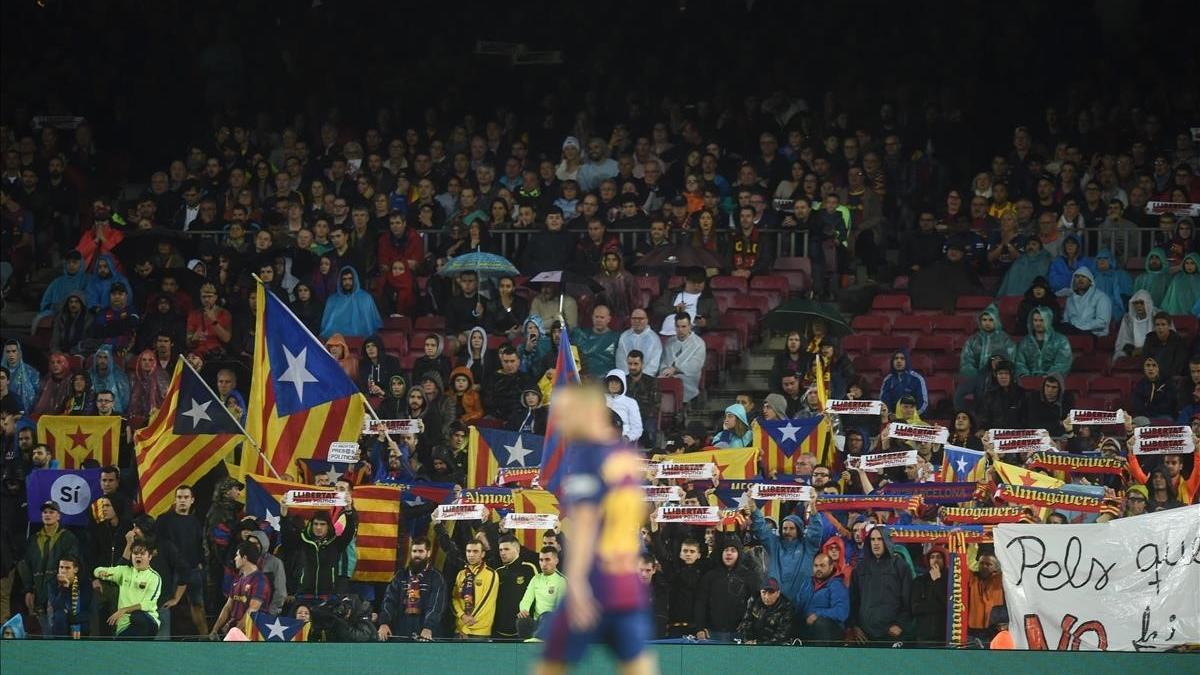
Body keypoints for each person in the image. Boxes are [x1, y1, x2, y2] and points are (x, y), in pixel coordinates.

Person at [536, 385, 652, 674]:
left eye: (563, 413)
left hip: (595, 583)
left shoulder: (586, 456)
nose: (558, 421)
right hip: (627, 582)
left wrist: (575, 584)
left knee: (550, 666)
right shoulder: (624, 457)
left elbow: (585, 526)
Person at [746, 491, 823, 615]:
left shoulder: (808, 546)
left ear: (799, 529)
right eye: (785, 528)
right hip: (776, 603)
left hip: (803, 603)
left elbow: (816, 530)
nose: (787, 531)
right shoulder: (774, 544)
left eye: (792, 528)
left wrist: (813, 506)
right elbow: (761, 528)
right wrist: (753, 506)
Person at [19, 501, 80, 633]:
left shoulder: (67, 537)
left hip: (58, 592)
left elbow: (71, 564)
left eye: (51, 512)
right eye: (45, 512)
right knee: (42, 630)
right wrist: (28, 589)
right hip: (38, 592)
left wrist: (62, 586)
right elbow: (26, 566)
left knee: (57, 628)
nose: (47, 515)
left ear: (59, 516)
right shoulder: (33, 539)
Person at [155, 485, 208, 635]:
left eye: (185, 497)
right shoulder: (163, 520)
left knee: (198, 605)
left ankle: (205, 640)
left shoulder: (195, 521)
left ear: (192, 500)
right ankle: (164, 642)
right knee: (166, 607)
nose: (182, 500)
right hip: (170, 572)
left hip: (192, 570)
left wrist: (200, 562)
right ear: (175, 500)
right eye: (179, 497)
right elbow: (157, 545)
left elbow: (200, 544)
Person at [847, 526, 911, 645]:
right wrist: (854, 626)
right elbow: (854, 601)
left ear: (886, 541)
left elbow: (908, 600)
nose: (876, 543)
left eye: (880, 539)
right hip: (864, 636)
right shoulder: (860, 569)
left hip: (891, 634)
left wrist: (900, 624)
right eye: (872, 539)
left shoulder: (901, 567)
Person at [378, 537, 447, 641]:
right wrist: (384, 623)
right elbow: (389, 600)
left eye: (421, 551)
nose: (417, 555)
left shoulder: (436, 577)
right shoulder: (401, 575)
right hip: (401, 628)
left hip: (425, 630)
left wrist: (428, 627)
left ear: (428, 553)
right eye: (414, 551)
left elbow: (436, 605)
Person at [693, 534, 759, 643]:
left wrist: (752, 631)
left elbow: (756, 605)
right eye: (726, 550)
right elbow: (700, 603)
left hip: (740, 633)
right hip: (712, 633)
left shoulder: (749, 576)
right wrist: (700, 628)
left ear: (739, 554)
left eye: (733, 550)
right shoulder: (710, 576)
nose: (729, 553)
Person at [92, 539, 163, 638]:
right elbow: (97, 570)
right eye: (135, 553)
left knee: (137, 617)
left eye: (142, 554)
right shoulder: (124, 571)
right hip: (124, 625)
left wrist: (124, 610)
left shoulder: (154, 577)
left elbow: (148, 603)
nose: (138, 556)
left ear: (150, 557)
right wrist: (100, 572)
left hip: (148, 620)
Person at [955, 305, 1015, 409]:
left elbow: (1011, 360)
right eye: (984, 320)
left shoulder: (1005, 340)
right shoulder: (973, 340)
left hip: (1001, 378)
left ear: (996, 321)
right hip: (979, 379)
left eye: (991, 320)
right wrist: (978, 376)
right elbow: (966, 361)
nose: (987, 323)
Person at [210, 541, 270, 638]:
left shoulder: (260, 581)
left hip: (252, 634)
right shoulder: (237, 579)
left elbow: (252, 611)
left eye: (237, 555)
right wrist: (215, 629)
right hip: (234, 631)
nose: (235, 558)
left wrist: (235, 633)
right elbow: (228, 606)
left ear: (245, 558)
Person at [492, 535, 539, 640]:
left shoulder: (529, 568)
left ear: (517, 549)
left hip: (522, 628)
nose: (502, 553)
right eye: (500, 550)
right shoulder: (498, 572)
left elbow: (538, 595)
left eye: (506, 549)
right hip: (500, 629)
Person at [799, 553, 850, 644]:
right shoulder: (807, 583)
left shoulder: (837, 585)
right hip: (807, 627)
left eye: (822, 566)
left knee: (820, 623)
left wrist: (817, 614)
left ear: (831, 567)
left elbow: (842, 612)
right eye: (816, 566)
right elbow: (798, 606)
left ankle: (823, 656)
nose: (818, 569)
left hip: (830, 630)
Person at [652, 268, 719, 336]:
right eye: (693, 282)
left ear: (704, 282)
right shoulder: (671, 293)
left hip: (691, 334)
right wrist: (675, 309)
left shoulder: (708, 299)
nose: (696, 286)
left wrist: (706, 323)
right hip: (665, 332)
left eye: (699, 283)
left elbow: (715, 319)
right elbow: (657, 308)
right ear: (685, 280)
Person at [320, 266, 383, 339]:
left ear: (355, 279)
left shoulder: (365, 298)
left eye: (350, 279)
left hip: (362, 343)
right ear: (340, 281)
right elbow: (325, 327)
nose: (347, 282)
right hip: (336, 344)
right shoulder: (332, 300)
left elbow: (372, 325)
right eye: (344, 279)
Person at [453, 539, 498, 639]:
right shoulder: (461, 574)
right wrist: (462, 616)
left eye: (475, 551)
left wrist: (466, 625)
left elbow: (486, 601)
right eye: (468, 551)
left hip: (479, 631)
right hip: (459, 629)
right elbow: (455, 598)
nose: (471, 555)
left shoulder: (491, 573)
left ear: (482, 554)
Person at [518, 547, 566, 639]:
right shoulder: (536, 579)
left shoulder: (561, 581)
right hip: (536, 624)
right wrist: (524, 610)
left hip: (553, 625)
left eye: (547, 559)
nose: (544, 564)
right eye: (541, 560)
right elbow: (526, 600)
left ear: (556, 561)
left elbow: (560, 610)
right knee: (521, 621)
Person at [659, 313, 706, 403]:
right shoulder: (670, 342)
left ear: (690, 326)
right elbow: (664, 363)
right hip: (668, 377)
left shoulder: (699, 343)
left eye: (684, 326)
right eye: (678, 326)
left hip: (688, 379)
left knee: (675, 383)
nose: (680, 330)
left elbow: (695, 366)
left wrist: (675, 369)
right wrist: (665, 371)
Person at [735, 577, 794, 645]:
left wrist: (759, 643)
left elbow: (783, 635)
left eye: (771, 592)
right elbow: (746, 622)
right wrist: (748, 640)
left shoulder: (787, 607)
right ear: (760, 592)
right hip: (752, 642)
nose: (767, 597)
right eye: (764, 592)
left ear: (778, 593)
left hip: (774, 646)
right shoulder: (754, 600)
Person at [910, 546, 949, 645]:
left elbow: (949, 604)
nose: (935, 560)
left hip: (945, 636)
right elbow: (915, 608)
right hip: (924, 636)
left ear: (944, 560)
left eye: (939, 557)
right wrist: (939, 606)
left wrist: (937, 581)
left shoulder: (951, 580)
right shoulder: (919, 581)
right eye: (932, 557)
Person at [966, 549, 1005, 644]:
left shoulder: (1000, 579)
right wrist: (973, 545)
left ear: (996, 567)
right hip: (973, 630)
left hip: (994, 629)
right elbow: (965, 564)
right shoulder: (973, 579)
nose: (984, 566)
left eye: (988, 564)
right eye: (982, 563)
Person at [1061, 267, 1112, 336]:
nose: (1080, 279)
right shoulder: (1070, 299)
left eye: (1084, 277)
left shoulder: (1101, 297)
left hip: (1093, 333)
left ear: (1090, 281)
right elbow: (1066, 320)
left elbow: (1102, 322)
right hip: (1072, 332)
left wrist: (1080, 326)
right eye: (1077, 277)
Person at [572, 304, 620, 378]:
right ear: (592, 317)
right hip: (583, 381)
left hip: (607, 382)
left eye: (602, 317)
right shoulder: (580, 335)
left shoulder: (617, 338)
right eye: (596, 317)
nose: (598, 320)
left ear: (609, 319)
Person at [879, 349, 929, 414]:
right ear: (892, 362)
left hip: (913, 418)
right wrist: (890, 415)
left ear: (907, 361)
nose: (899, 361)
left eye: (902, 359)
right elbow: (883, 402)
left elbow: (923, 403)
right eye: (896, 358)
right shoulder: (887, 380)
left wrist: (912, 416)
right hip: (893, 419)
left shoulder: (917, 379)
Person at [615, 308, 662, 376]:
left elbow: (653, 365)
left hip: (647, 378)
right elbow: (621, 361)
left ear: (646, 320)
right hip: (627, 378)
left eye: (640, 318)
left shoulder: (654, 339)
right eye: (634, 318)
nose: (637, 321)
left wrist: (641, 378)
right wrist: (628, 377)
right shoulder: (624, 337)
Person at [1089, 249, 1132, 321]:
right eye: (1099, 258)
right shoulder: (1091, 276)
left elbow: (1126, 296)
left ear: (1111, 261)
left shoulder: (1120, 275)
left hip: (1114, 310)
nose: (1102, 261)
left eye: (1105, 258)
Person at [1113, 290, 1158, 362]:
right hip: (1133, 349)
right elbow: (1123, 340)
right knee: (1119, 355)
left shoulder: (1157, 315)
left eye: (1141, 303)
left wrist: (1145, 349)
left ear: (1148, 303)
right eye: (1136, 303)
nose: (1138, 305)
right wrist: (1133, 350)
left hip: (1154, 350)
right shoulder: (1128, 318)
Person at [1142, 312, 1189, 378]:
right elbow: (1146, 360)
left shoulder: (1178, 341)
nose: (1160, 327)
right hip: (1153, 377)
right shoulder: (1149, 339)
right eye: (1157, 325)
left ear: (1169, 326)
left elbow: (1179, 364)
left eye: (1163, 324)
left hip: (1172, 378)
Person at [603, 369, 643, 445]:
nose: (613, 385)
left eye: (616, 382)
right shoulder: (600, 399)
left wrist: (628, 437)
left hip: (622, 440)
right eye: (611, 382)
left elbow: (637, 428)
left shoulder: (631, 402)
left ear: (622, 384)